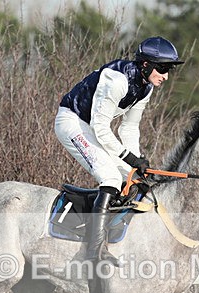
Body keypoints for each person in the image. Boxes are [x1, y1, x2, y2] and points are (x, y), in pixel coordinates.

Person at [54, 36, 184, 265]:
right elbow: (100, 128)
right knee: (111, 177)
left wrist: (135, 163)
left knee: (131, 178)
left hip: (92, 127)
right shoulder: (117, 81)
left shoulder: (146, 88)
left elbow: (130, 128)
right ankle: (93, 252)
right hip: (72, 122)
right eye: (162, 68)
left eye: (168, 70)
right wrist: (130, 158)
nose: (165, 76)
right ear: (146, 65)